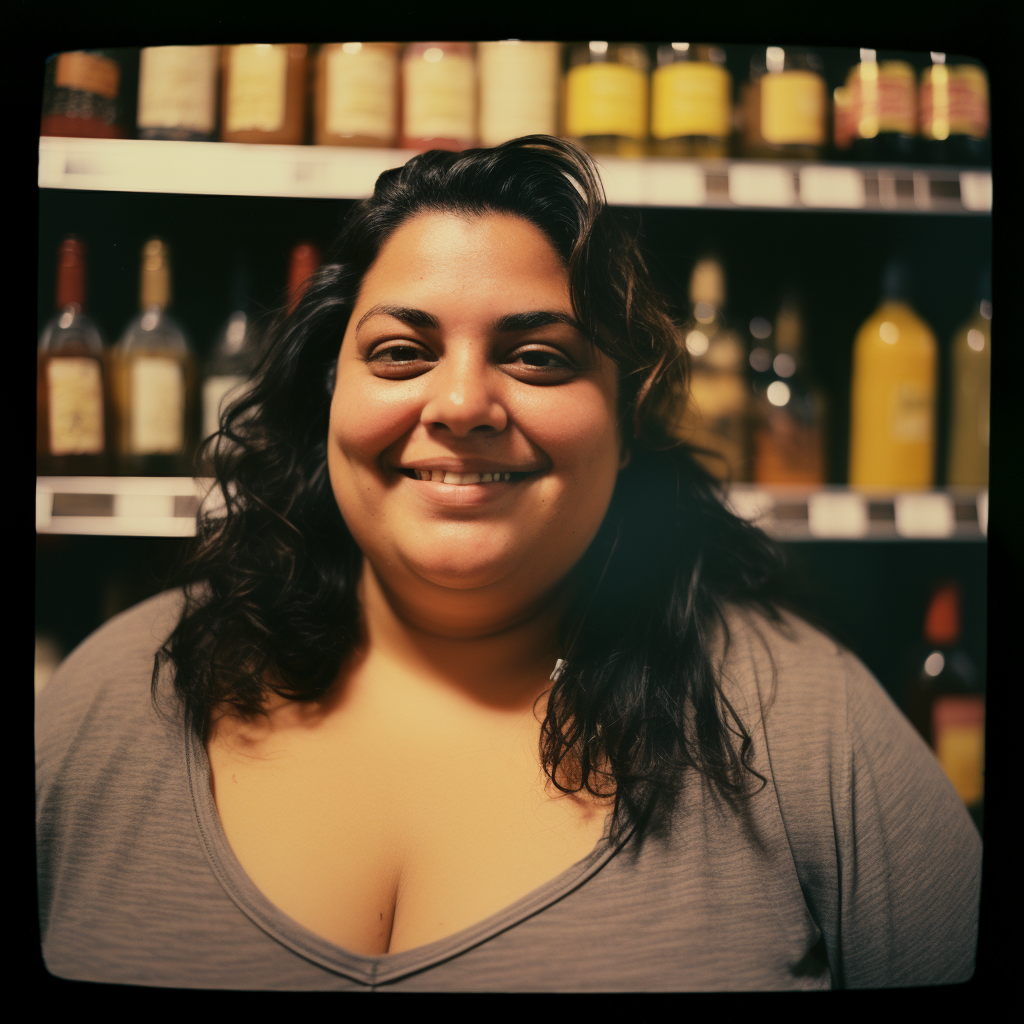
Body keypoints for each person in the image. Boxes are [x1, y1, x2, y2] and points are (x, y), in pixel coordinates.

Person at [35, 136, 981, 991]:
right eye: (401, 352)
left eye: (536, 358)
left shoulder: (810, 728)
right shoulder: (114, 697)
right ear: (327, 398)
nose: (459, 403)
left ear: (626, 424)